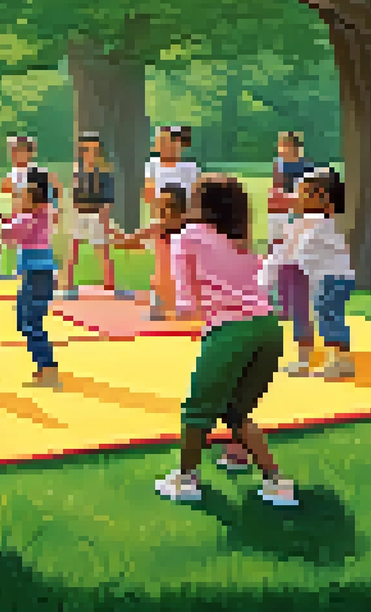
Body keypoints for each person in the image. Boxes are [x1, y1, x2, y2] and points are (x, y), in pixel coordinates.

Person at [155, 175, 297, 507]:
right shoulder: (241, 241)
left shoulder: (187, 236)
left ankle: (185, 479)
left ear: (201, 204)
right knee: (236, 413)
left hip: (230, 331)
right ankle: (277, 483)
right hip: (268, 329)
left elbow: (186, 302)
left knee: (196, 411)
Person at [260, 167, 357, 379]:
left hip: (331, 279)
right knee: (301, 316)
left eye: (303, 192)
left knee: (328, 315)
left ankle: (342, 361)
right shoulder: (300, 224)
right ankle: (305, 359)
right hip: (306, 277)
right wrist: (266, 278)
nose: (296, 196)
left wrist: (267, 276)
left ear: (322, 199)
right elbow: (282, 252)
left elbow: (293, 250)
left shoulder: (324, 223)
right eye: (298, 190)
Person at [0, 169, 61, 389]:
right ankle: (45, 366)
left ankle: (47, 368)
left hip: (35, 274)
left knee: (29, 321)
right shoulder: (44, 212)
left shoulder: (29, 216)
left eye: (23, 197)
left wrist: (7, 224)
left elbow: (9, 236)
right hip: (40, 273)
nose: (19, 200)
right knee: (29, 319)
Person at [267, 132, 316, 370]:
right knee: (282, 264)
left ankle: (304, 338)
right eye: (280, 145)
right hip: (281, 217)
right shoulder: (279, 164)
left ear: (295, 146)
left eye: (285, 144)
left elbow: (304, 198)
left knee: (296, 273)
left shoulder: (306, 167)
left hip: (295, 218)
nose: (281, 148)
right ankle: (282, 304)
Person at [143, 126, 198, 319]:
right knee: (162, 264)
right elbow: (149, 194)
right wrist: (161, 216)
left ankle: (183, 305)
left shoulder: (190, 168)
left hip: (184, 222)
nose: (164, 146)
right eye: (160, 141)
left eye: (168, 141)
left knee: (184, 263)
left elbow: (194, 197)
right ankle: (157, 306)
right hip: (162, 221)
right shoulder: (152, 166)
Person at [113, 185, 189, 320]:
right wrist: (112, 232)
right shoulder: (157, 228)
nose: (163, 211)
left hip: (182, 293)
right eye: (160, 206)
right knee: (155, 322)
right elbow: (127, 242)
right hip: (160, 290)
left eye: (169, 206)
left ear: (182, 211)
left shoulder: (190, 232)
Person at [60, 132, 118, 298]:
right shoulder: (78, 169)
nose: (89, 153)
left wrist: (104, 215)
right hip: (80, 213)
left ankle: (110, 287)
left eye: (93, 149)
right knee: (72, 250)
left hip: (97, 214)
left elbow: (108, 196)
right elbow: (74, 191)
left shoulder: (104, 171)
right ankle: (67, 285)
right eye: (86, 149)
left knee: (102, 251)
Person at [0, 136, 39, 282]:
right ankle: (5, 274)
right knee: (4, 238)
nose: (12, 154)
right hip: (17, 217)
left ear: (28, 153)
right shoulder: (11, 175)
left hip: (33, 219)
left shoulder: (35, 174)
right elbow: (7, 198)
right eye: (12, 150)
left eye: (17, 150)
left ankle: (17, 274)